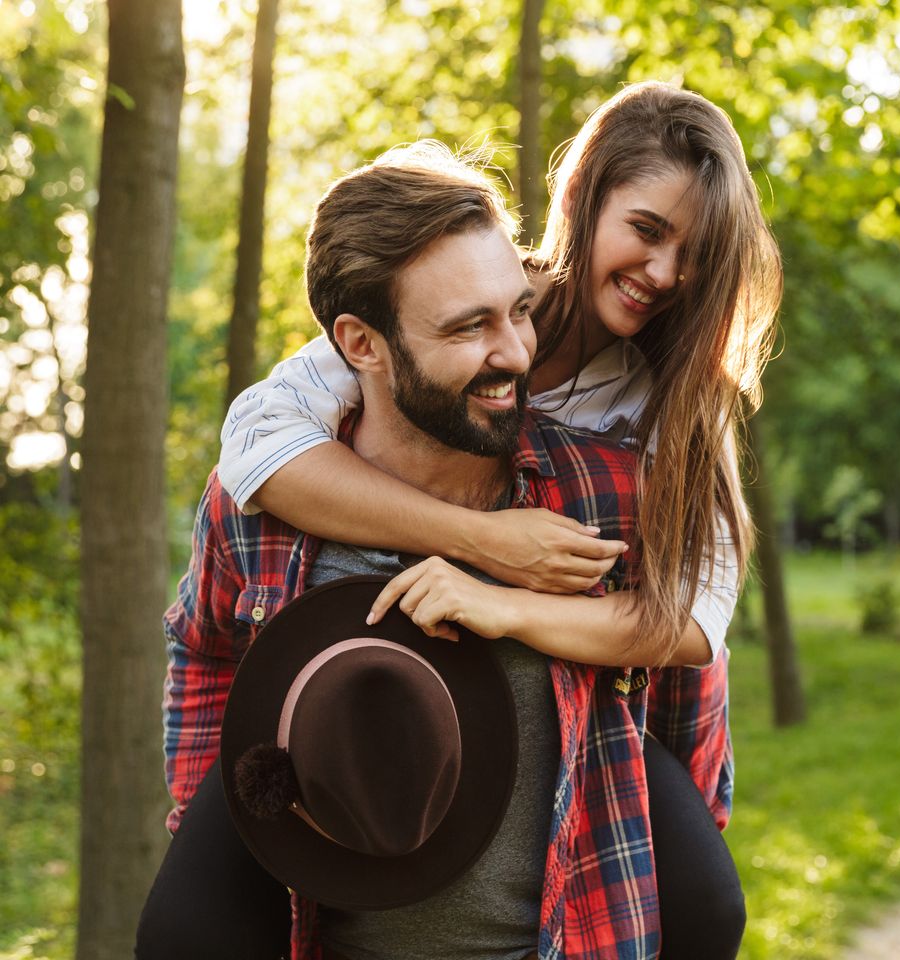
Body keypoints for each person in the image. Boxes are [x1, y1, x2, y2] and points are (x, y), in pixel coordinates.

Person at [217, 81, 782, 954]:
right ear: (587, 198)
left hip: (617, 673)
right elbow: (256, 448)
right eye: (647, 230)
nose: (666, 274)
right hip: (457, 654)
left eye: (697, 252)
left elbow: (691, 622)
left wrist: (509, 601)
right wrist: (482, 540)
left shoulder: (673, 399)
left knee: (705, 906)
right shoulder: (459, 293)